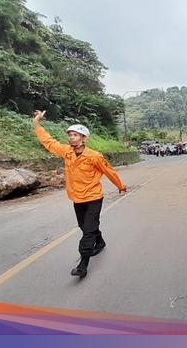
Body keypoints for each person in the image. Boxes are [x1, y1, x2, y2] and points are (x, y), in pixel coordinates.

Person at [32, 110, 127, 278]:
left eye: (75, 135)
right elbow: (48, 142)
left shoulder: (94, 156)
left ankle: (83, 265)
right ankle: (100, 241)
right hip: (77, 198)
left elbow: (109, 171)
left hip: (93, 198)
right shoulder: (66, 152)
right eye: (70, 135)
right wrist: (37, 123)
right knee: (84, 227)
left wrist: (120, 185)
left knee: (87, 232)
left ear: (84, 138)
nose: (71, 138)